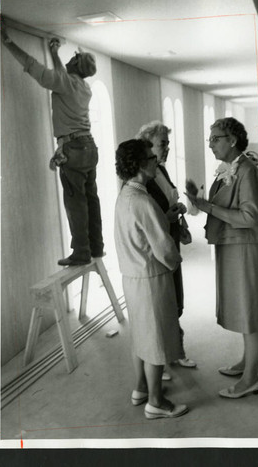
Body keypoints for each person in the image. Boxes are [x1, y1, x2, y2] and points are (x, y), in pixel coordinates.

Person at [1, 24, 104, 266]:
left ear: (76, 66)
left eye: (73, 59)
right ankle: (96, 246)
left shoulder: (65, 82)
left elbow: (32, 66)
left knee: (75, 202)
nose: (68, 61)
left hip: (74, 149)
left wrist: (8, 43)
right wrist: (55, 53)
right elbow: (62, 77)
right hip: (89, 147)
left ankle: (81, 252)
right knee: (91, 198)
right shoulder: (84, 87)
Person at [186, 117, 258, 399]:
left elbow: (249, 217)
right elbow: (219, 207)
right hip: (231, 245)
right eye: (209, 139)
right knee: (243, 308)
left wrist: (209, 206)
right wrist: (199, 203)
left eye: (215, 138)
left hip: (245, 247)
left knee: (250, 312)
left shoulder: (247, 172)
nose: (210, 144)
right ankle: (247, 363)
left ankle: (251, 379)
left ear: (232, 140)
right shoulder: (228, 170)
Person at [114, 139, 189, 419]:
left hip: (132, 277)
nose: (155, 160)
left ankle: (140, 388)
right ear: (138, 164)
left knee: (142, 336)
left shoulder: (125, 196)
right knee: (157, 340)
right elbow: (164, 248)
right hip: (151, 278)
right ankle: (156, 402)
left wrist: (162, 218)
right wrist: (175, 261)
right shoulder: (143, 200)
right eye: (150, 157)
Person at [136, 121, 196, 371]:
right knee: (163, 301)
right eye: (163, 143)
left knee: (175, 298)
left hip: (170, 241)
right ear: (148, 145)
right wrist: (167, 216)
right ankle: (164, 357)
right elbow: (145, 216)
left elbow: (168, 198)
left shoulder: (161, 170)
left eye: (168, 143)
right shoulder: (142, 177)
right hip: (157, 247)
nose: (167, 148)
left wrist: (178, 207)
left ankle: (175, 350)